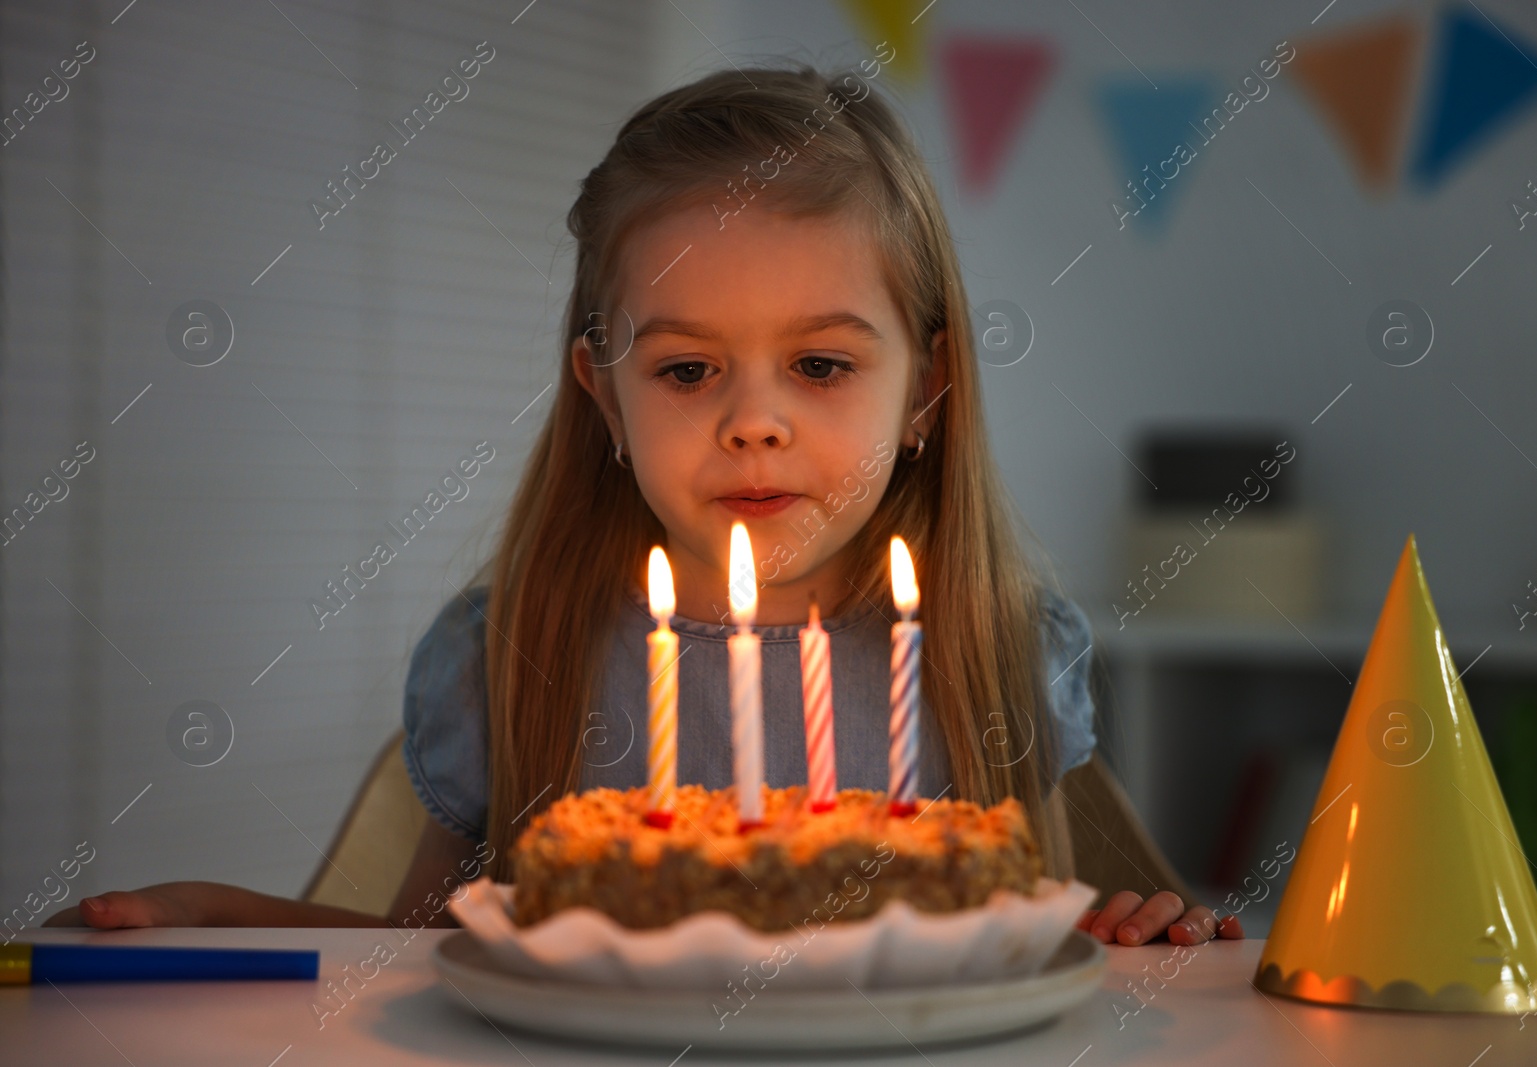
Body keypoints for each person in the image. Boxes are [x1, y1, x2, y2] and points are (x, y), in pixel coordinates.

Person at [46, 63, 1239, 948]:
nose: (752, 420)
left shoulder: (995, 651)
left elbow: (1038, 943)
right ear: (603, 396)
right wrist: (221, 918)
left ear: (926, 384)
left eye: (820, 365)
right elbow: (409, 960)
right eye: (684, 369)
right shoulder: (517, 650)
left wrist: (1140, 935)